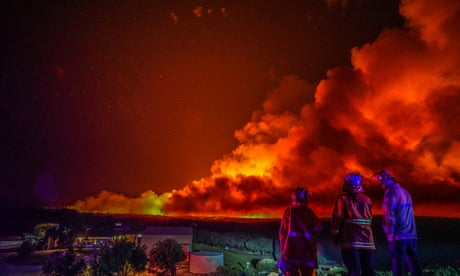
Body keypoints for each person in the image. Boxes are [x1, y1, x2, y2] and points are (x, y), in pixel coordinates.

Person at [373, 170, 423, 276]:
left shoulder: (389, 193)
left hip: (397, 236)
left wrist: (389, 233)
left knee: (398, 266)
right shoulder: (406, 192)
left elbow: (389, 215)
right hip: (411, 235)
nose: (380, 184)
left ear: (386, 180)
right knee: (414, 265)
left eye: (380, 181)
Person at [331, 172, 376, 276]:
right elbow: (370, 218)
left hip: (350, 241)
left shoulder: (342, 199)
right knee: (369, 271)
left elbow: (337, 218)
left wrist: (335, 235)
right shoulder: (367, 199)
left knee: (353, 271)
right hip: (368, 242)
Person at [278, 187, 323, 276]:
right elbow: (318, 228)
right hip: (307, 252)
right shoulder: (309, 212)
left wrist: (283, 249)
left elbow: (282, 232)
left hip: (290, 252)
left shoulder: (289, 211)